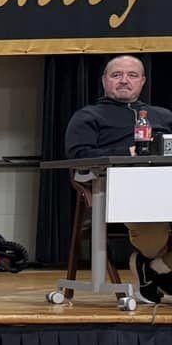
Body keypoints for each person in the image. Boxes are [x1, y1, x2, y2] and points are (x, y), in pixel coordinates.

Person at [65, 54, 172, 300]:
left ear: (143, 81)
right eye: (117, 75)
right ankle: (156, 269)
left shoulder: (163, 116)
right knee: (152, 238)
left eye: (132, 75)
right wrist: (127, 153)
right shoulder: (88, 116)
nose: (124, 80)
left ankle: (153, 269)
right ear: (104, 80)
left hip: (167, 183)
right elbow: (79, 155)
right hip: (122, 190)